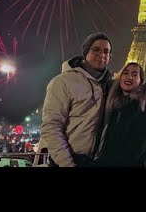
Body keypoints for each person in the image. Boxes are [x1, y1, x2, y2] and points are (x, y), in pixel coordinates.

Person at [41, 32, 114, 167]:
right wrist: (67, 163)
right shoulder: (62, 82)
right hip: (70, 161)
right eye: (96, 49)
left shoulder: (111, 85)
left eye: (106, 51)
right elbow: (51, 126)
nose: (102, 55)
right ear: (85, 52)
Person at [95, 62, 146, 167]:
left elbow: (135, 147)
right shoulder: (114, 105)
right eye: (126, 73)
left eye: (135, 74)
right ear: (120, 77)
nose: (129, 77)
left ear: (141, 80)